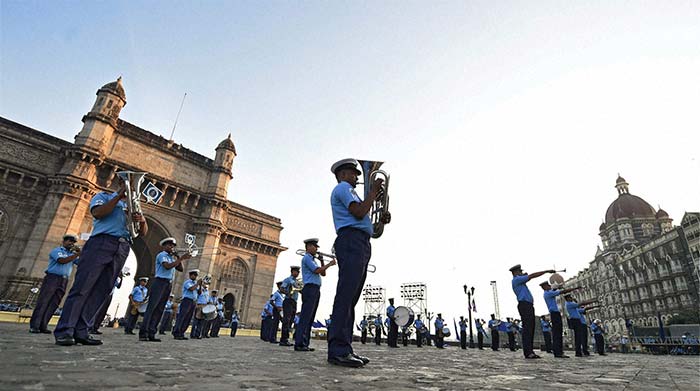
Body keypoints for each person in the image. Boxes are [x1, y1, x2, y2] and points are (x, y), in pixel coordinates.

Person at [54, 177, 148, 346]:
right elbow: (97, 212)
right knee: (82, 288)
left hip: (122, 247)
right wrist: (119, 196)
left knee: (102, 290)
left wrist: (140, 220)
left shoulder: (134, 206)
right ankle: (65, 330)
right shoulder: (103, 196)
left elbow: (143, 233)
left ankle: (82, 331)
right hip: (101, 243)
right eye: (129, 183)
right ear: (121, 183)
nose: (133, 187)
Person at [327, 159, 390, 368]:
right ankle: (337, 350)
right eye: (354, 173)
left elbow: (367, 222)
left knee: (351, 298)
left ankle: (345, 348)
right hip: (351, 240)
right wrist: (373, 194)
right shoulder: (343, 188)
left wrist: (381, 219)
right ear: (343, 175)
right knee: (346, 296)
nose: (357, 177)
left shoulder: (350, 191)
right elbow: (359, 212)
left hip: (360, 241)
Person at [139, 237, 191, 342]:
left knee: (159, 309)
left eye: (173, 245)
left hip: (168, 284)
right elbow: (167, 266)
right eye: (169, 245)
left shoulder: (172, 257)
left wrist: (177, 257)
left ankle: (152, 332)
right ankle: (143, 333)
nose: (171, 247)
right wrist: (181, 259)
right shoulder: (162, 255)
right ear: (164, 246)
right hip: (159, 282)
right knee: (152, 307)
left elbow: (180, 269)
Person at [30, 234, 81, 334]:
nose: (71, 243)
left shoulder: (71, 254)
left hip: (64, 280)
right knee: (43, 301)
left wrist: (81, 253)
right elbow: (62, 261)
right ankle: (34, 325)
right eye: (69, 241)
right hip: (52, 278)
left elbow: (80, 263)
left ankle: (43, 325)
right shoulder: (57, 251)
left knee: (54, 303)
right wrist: (76, 255)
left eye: (73, 242)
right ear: (64, 241)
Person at [294, 238, 336, 352]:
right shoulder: (307, 258)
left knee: (310, 317)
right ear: (308, 247)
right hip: (310, 288)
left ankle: (304, 343)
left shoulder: (313, 259)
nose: (317, 249)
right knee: (305, 317)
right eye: (315, 246)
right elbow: (317, 271)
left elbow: (323, 273)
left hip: (315, 289)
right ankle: (299, 343)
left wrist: (322, 261)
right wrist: (330, 264)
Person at [509, 264, 555, 359]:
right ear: (516, 272)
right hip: (524, 305)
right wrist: (546, 271)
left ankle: (530, 351)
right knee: (528, 328)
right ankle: (528, 352)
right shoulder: (516, 280)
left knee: (530, 328)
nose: (522, 273)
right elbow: (532, 276)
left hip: (528, 305)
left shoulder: (520, 282)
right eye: (520, 271)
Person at [540, 281, 581, 358]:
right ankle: (558, 352)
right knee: (557, 333)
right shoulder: (548, 293)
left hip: (555, 314)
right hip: (554, 314)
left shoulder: (549, 292)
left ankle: (558, 351)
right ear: (544, 287)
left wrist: (558, 286)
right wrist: (574, 288)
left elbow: (555, 289)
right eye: (548, 285)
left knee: (558, 332)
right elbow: (562, 292)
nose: (549, 286)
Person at [172, 269, 201, 340]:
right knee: (182, 316)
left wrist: (199, 286)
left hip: (193, 301)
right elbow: (191, 289)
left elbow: (199, 293)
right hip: (186, 301)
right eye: (194, 275)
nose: (195, 276)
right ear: (190, 275)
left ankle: (182, 332)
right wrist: (197, 284)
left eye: (196, 275)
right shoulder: (187, 282)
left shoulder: (195, 284)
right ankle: (176, 332)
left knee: (188, 318)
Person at [279, 266, 301, 346]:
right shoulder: (288, 280)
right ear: (292, 272)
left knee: (291, 320)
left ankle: (286, 338)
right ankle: (283, 339)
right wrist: (287, 293)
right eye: (296, 272)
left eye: (298, 272)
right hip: (288, 300)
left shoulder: (296, 281)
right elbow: (281, 288)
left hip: (294, 301)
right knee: (286, 320)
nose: (297, 273)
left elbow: (299, 290)